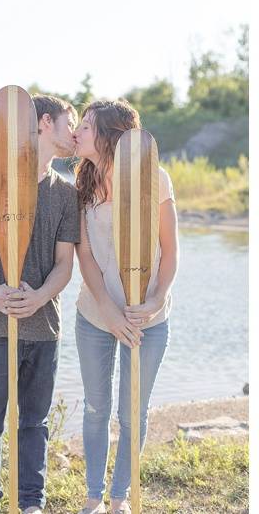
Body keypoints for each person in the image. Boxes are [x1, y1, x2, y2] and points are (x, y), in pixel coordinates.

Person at [0, 94, 80, 514]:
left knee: (34, 424)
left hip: (44, 329)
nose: (75, 132)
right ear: (44, 123)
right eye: (69, 122)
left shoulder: (66, 193)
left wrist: (39, 297)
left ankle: (30, 503)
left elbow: (64, 265)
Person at [73, 100, 178, 514]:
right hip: (96, 315)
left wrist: (154, 301)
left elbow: (169, 252)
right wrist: (108, 309)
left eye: (85, 125)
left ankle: (121, 500)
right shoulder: (80, 183)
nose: (78, 131)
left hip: (147, 318)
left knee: (133, 412)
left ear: (110, 135)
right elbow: (85, 256)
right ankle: (93, 499)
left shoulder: (156, 179)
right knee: (96, 407)